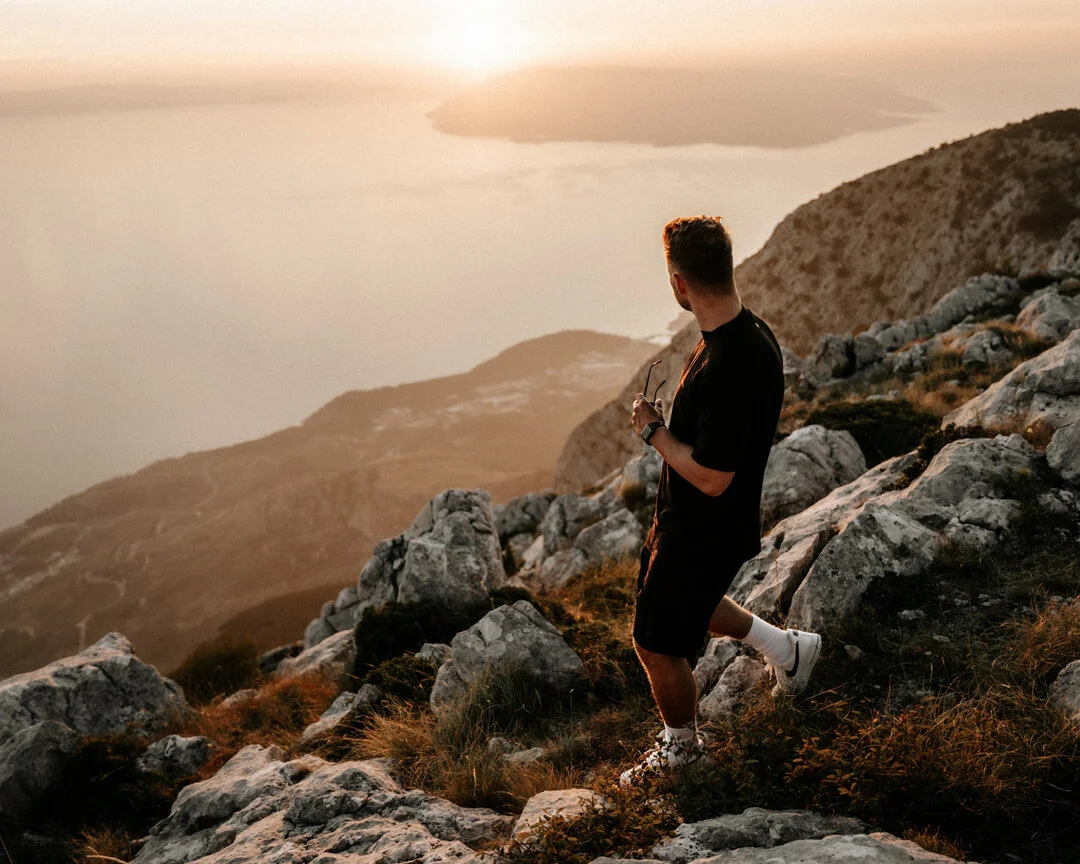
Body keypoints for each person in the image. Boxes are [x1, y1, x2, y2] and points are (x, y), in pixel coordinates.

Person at [619, 215, 821, 787]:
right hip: (696, 522)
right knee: (698, 603)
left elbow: (712, 477)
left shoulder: (733, 362)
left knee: (655, 644)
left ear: (678, 282)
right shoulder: (744, 332)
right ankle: (789, 650)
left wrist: (653, 433)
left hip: (702, 525)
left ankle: (682, 754)